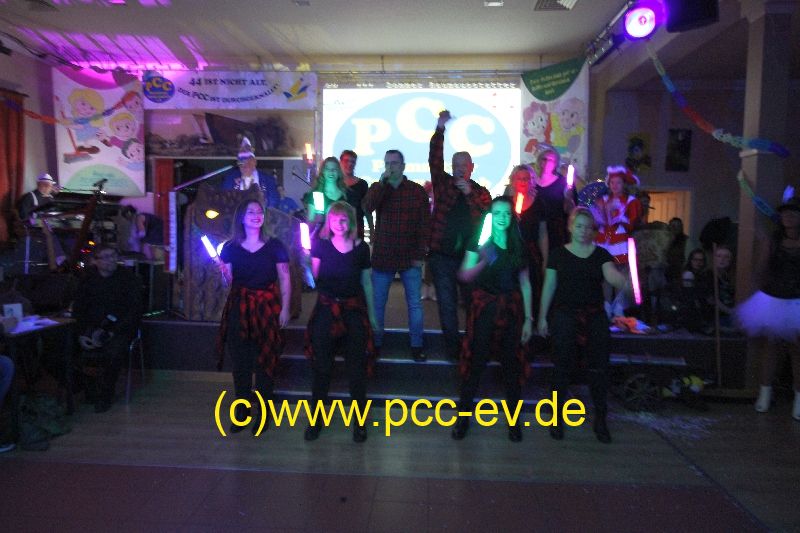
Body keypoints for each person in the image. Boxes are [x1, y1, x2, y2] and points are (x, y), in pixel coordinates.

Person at [538, 207, 631, 443]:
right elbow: (549, 286)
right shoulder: (558, 254)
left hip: (594, 317)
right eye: (578, 226)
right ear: (570, 227)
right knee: (561, 368)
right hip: (564, 316)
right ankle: (556, 418)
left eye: (587, 227)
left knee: (599, 369)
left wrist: (625, 282)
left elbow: (611, 275)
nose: (582, 231)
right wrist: (541, 317)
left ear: (593, 231)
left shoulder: (601, 255)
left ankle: (600, 419)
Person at [452, 197, 533, 442]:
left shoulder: (518, 245)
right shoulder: (479, 242)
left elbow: (525, 284)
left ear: (511, 217)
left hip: (511, 311)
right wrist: (484, 260)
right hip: (485, 310)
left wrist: (528, 318)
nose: (502, 218)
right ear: (491, 215)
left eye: (506, 214)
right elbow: (464, 275)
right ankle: (463, 419)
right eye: (497, 213)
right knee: (475, 364)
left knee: (511, 366)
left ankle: (514, 422)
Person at [303, 202, 376, 442]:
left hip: (353, 311)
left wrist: (373, 316)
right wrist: (307, 261)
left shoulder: (361, 248)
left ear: (351, 222)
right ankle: (316, 420)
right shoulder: (320, 245)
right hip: (326, 310)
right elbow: (315, 278)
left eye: (344, 219)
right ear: (329, 222)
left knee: (356, 369)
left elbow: (366, 283)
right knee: (322, 368)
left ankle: (360, 423)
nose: (339, 223)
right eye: (335, 219)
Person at [216, 199, 291, 433]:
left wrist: (285, 309)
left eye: (259, 212)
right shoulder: (230, 247)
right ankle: (242, 410)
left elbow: (285, 278)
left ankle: (264, 412)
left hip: (266, 307)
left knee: (264, 360)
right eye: (251, 212)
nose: (256, 215)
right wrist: (224, 273)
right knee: (240, 361)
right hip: (239, 307)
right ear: (242, 216)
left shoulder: (275, 245)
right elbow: (228, 283)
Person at [428, 110, 492, 361]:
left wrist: (469, 195)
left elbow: (486, 218)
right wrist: (440, 129)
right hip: (442, 256)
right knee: (447, 305)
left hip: (470, 258)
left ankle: (474, 345)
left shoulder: (481, 192)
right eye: (456, 166)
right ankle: (454, 351)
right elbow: (434, 159)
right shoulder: (442, 184)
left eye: (464, 166)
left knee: (474, 303)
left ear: (472, 168)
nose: (459, 169)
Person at [362, 150, 430, 361]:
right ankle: (376, 343)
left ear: (403, 166)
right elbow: (366, 207)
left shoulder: (417, 191)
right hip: (384, 254)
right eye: (387, 163)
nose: (390, 167)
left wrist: (420, 254)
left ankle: (416, 345)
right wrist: (381, 184)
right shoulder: (378, 187)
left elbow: (424, 225)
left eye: (394, 163)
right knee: (378, 303)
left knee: (414, 304)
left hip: (410, 255)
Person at [737, 194, 800, 420]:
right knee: (771, 348)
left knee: (797, 351)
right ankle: (764, 394)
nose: (788, 216)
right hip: (773, 298)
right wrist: (756, 290)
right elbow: (760, 269)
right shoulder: (772, 240)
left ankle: (799, 400)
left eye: (793, 213)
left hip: (797, 300)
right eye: (785, 213)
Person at [74, 244, 143, 413]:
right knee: (58, 349)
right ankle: (86, 385)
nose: (111, 260)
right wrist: (82, 333)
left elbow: (134, 311)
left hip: (119, 329)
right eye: (105, 257)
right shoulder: (87, 280)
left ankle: (105, 394)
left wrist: (112, 331)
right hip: (90, 328)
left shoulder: (129, 279)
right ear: (95, 261)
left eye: (113, 255)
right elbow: (79, 309)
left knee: (113, 352)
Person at [592, 166, 643, 317]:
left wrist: (619, 215)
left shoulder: (631, 201)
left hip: (621, 241)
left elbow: (632, 224)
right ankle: (607, 307)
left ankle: (619, 308)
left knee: (621, 275)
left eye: (618, 182)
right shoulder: (602, 200)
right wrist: (603, 213)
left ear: (624, 184)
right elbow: (597, 221)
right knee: (606, 276)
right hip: (604, 241)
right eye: (612, 182)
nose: (615, 185)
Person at [533, 148, 574, 256]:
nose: (547, 162)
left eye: (551, 160)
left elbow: (570, 211)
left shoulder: (562, 182)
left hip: (557, 230)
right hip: (536, 229)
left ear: (555, 163)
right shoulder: (532, 183)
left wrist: (568, 198)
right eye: (544, 159)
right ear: (540, 161)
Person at [221, 139, 280, 209]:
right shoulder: (230, 179)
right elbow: (225, 201)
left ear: (255, 162)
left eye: (249, 161)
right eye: (241, 162)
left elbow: (273, 203)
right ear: (238, 163)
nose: (245, 165)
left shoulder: (268, 180)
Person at [303, 157, 348, 233]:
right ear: (323, 172)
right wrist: (318, 219)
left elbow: (351, 221)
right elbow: (310, 224)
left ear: (339, 172)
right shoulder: (316, 195)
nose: (331, 172)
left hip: (342, 237)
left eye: (334, 169)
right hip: (322, 237)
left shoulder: (346, 194)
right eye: (327, 169)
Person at [340, 150, 374, 238]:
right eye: (346, 161)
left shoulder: (362, 184)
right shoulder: (334, 183)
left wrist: (372, 230)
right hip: (337, 229)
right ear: (340, 162)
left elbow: (367, 209)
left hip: (357, 230)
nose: (349, 164)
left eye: (352, 161)